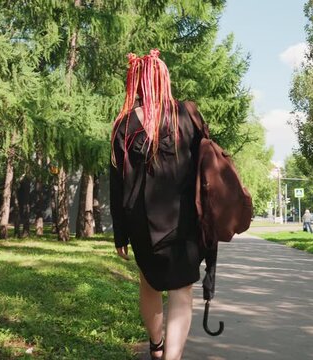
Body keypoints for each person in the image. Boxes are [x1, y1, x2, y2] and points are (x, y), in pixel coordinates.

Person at [109, 49, 205, 360]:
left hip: (140, 221)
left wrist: (120, 235)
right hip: (184, 219)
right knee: (182, 291)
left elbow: (116, 183)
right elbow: (207, 166)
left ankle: (156, 346)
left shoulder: (123, 126)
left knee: (149, 283)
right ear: (163, 80)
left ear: (134, 84)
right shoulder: (189, 115)